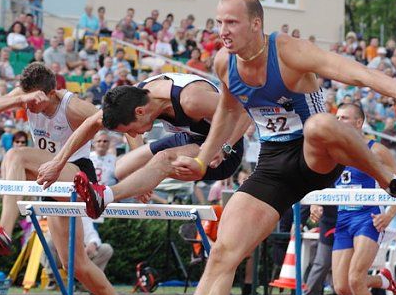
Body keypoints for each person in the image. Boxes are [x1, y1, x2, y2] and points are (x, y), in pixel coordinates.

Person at [140, 0, 396, 295]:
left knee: (321, 123)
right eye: (219, 22)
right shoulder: (225, 63)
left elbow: (357, 73)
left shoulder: (288, 52)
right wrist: (206, 157)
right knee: (222, 252)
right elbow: (227, 109)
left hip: (316, 154)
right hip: (273, 165)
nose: (222, 31)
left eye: (232, 22)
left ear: (256, 24)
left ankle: (392, 182)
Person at [0, 62, 144, 295]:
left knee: (15, 154)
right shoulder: (25, 96)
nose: (34, 109)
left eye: (38, 101)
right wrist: (20, 99)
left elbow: (123, 123)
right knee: (75, 264)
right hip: (51, 179)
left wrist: (140, 168)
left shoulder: (72, 105)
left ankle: (4, 229)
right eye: (29, 102)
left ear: (51, 92)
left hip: (77, 175)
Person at [36, 73, 250, 216]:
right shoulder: (136, 96)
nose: (133, 134)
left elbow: (244, 111)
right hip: (190, 137)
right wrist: (57, 163)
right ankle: (122, 187)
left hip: (223, 146)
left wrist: (225, 147)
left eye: (130, 128)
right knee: (122, 168)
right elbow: (92, 122)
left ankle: (105, 196)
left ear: (140, 112)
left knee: (164, 159)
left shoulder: (191, 101)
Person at [330, 103, 396, 295]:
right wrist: (317, 203)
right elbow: (318, 182)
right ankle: (383, 280)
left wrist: (389, 214)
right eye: (337, 117)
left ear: (359, 123)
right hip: (343, 220)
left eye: (345, 118)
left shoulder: (376, 149)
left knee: (354, 279)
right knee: (341, 287)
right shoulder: (332, 152)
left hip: (367, 218)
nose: (339, 121)